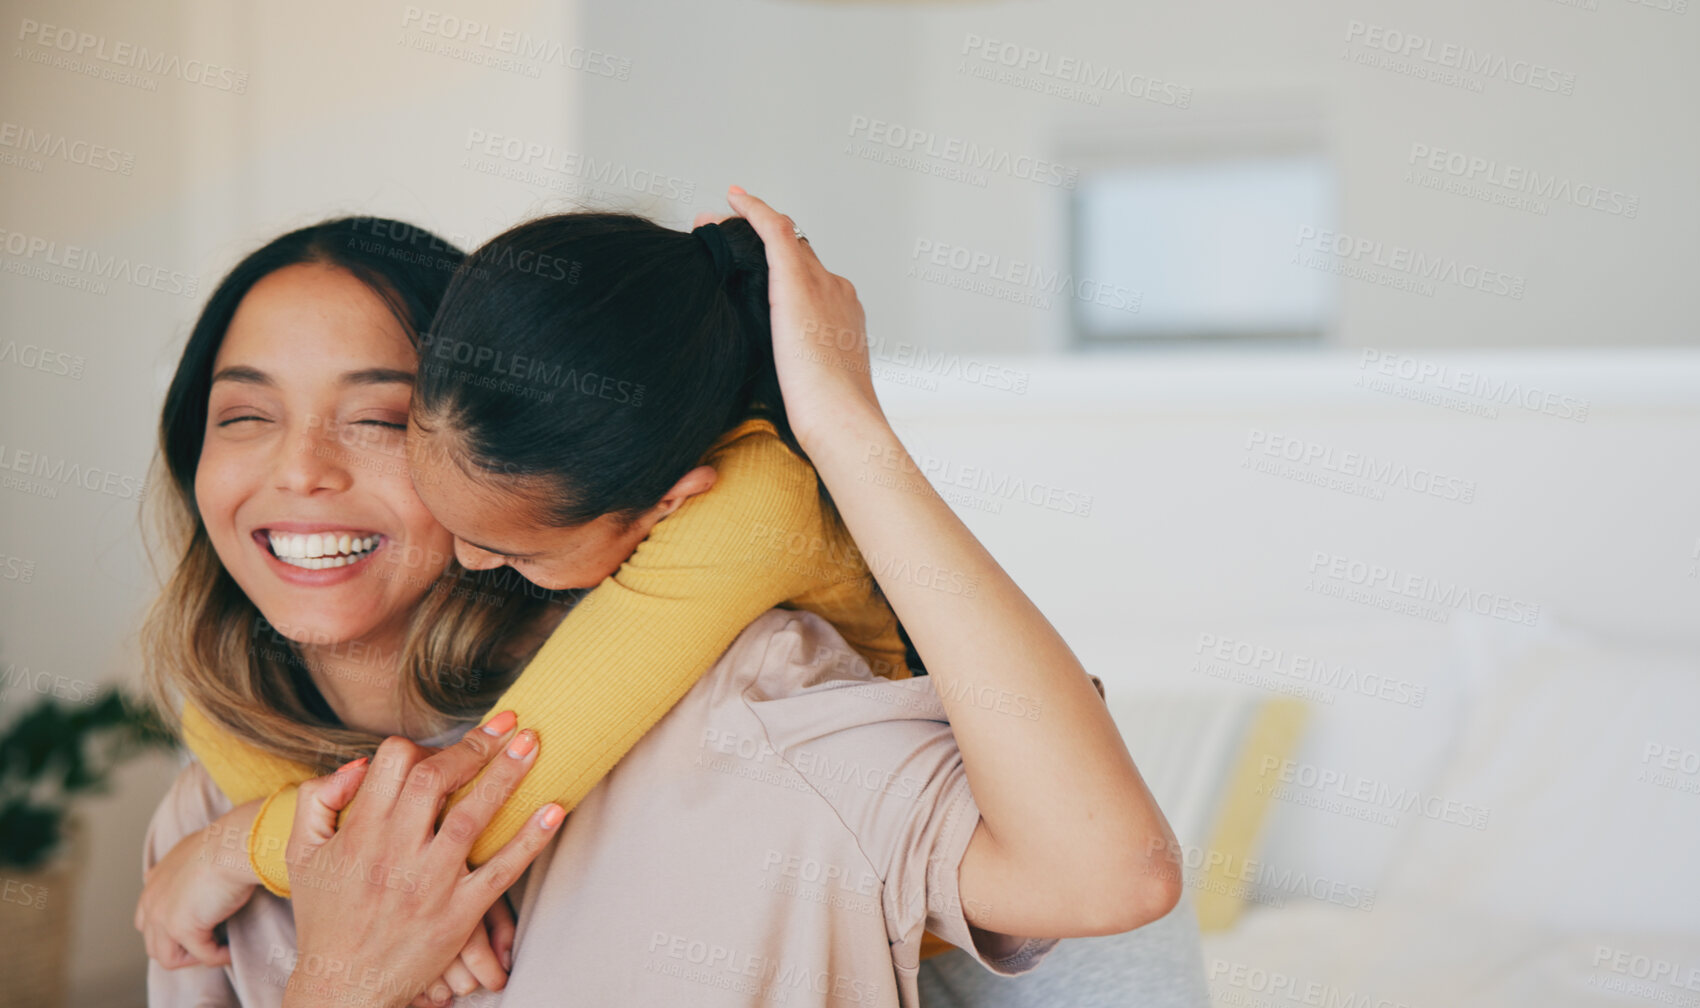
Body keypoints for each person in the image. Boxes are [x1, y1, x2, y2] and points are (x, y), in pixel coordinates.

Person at [138, 198, 1183, 1006]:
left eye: (378, 417)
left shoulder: (754, 707)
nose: (301, 471)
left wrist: (848, 429)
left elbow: (1109, 875)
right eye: (243, 416)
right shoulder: (203, 811)